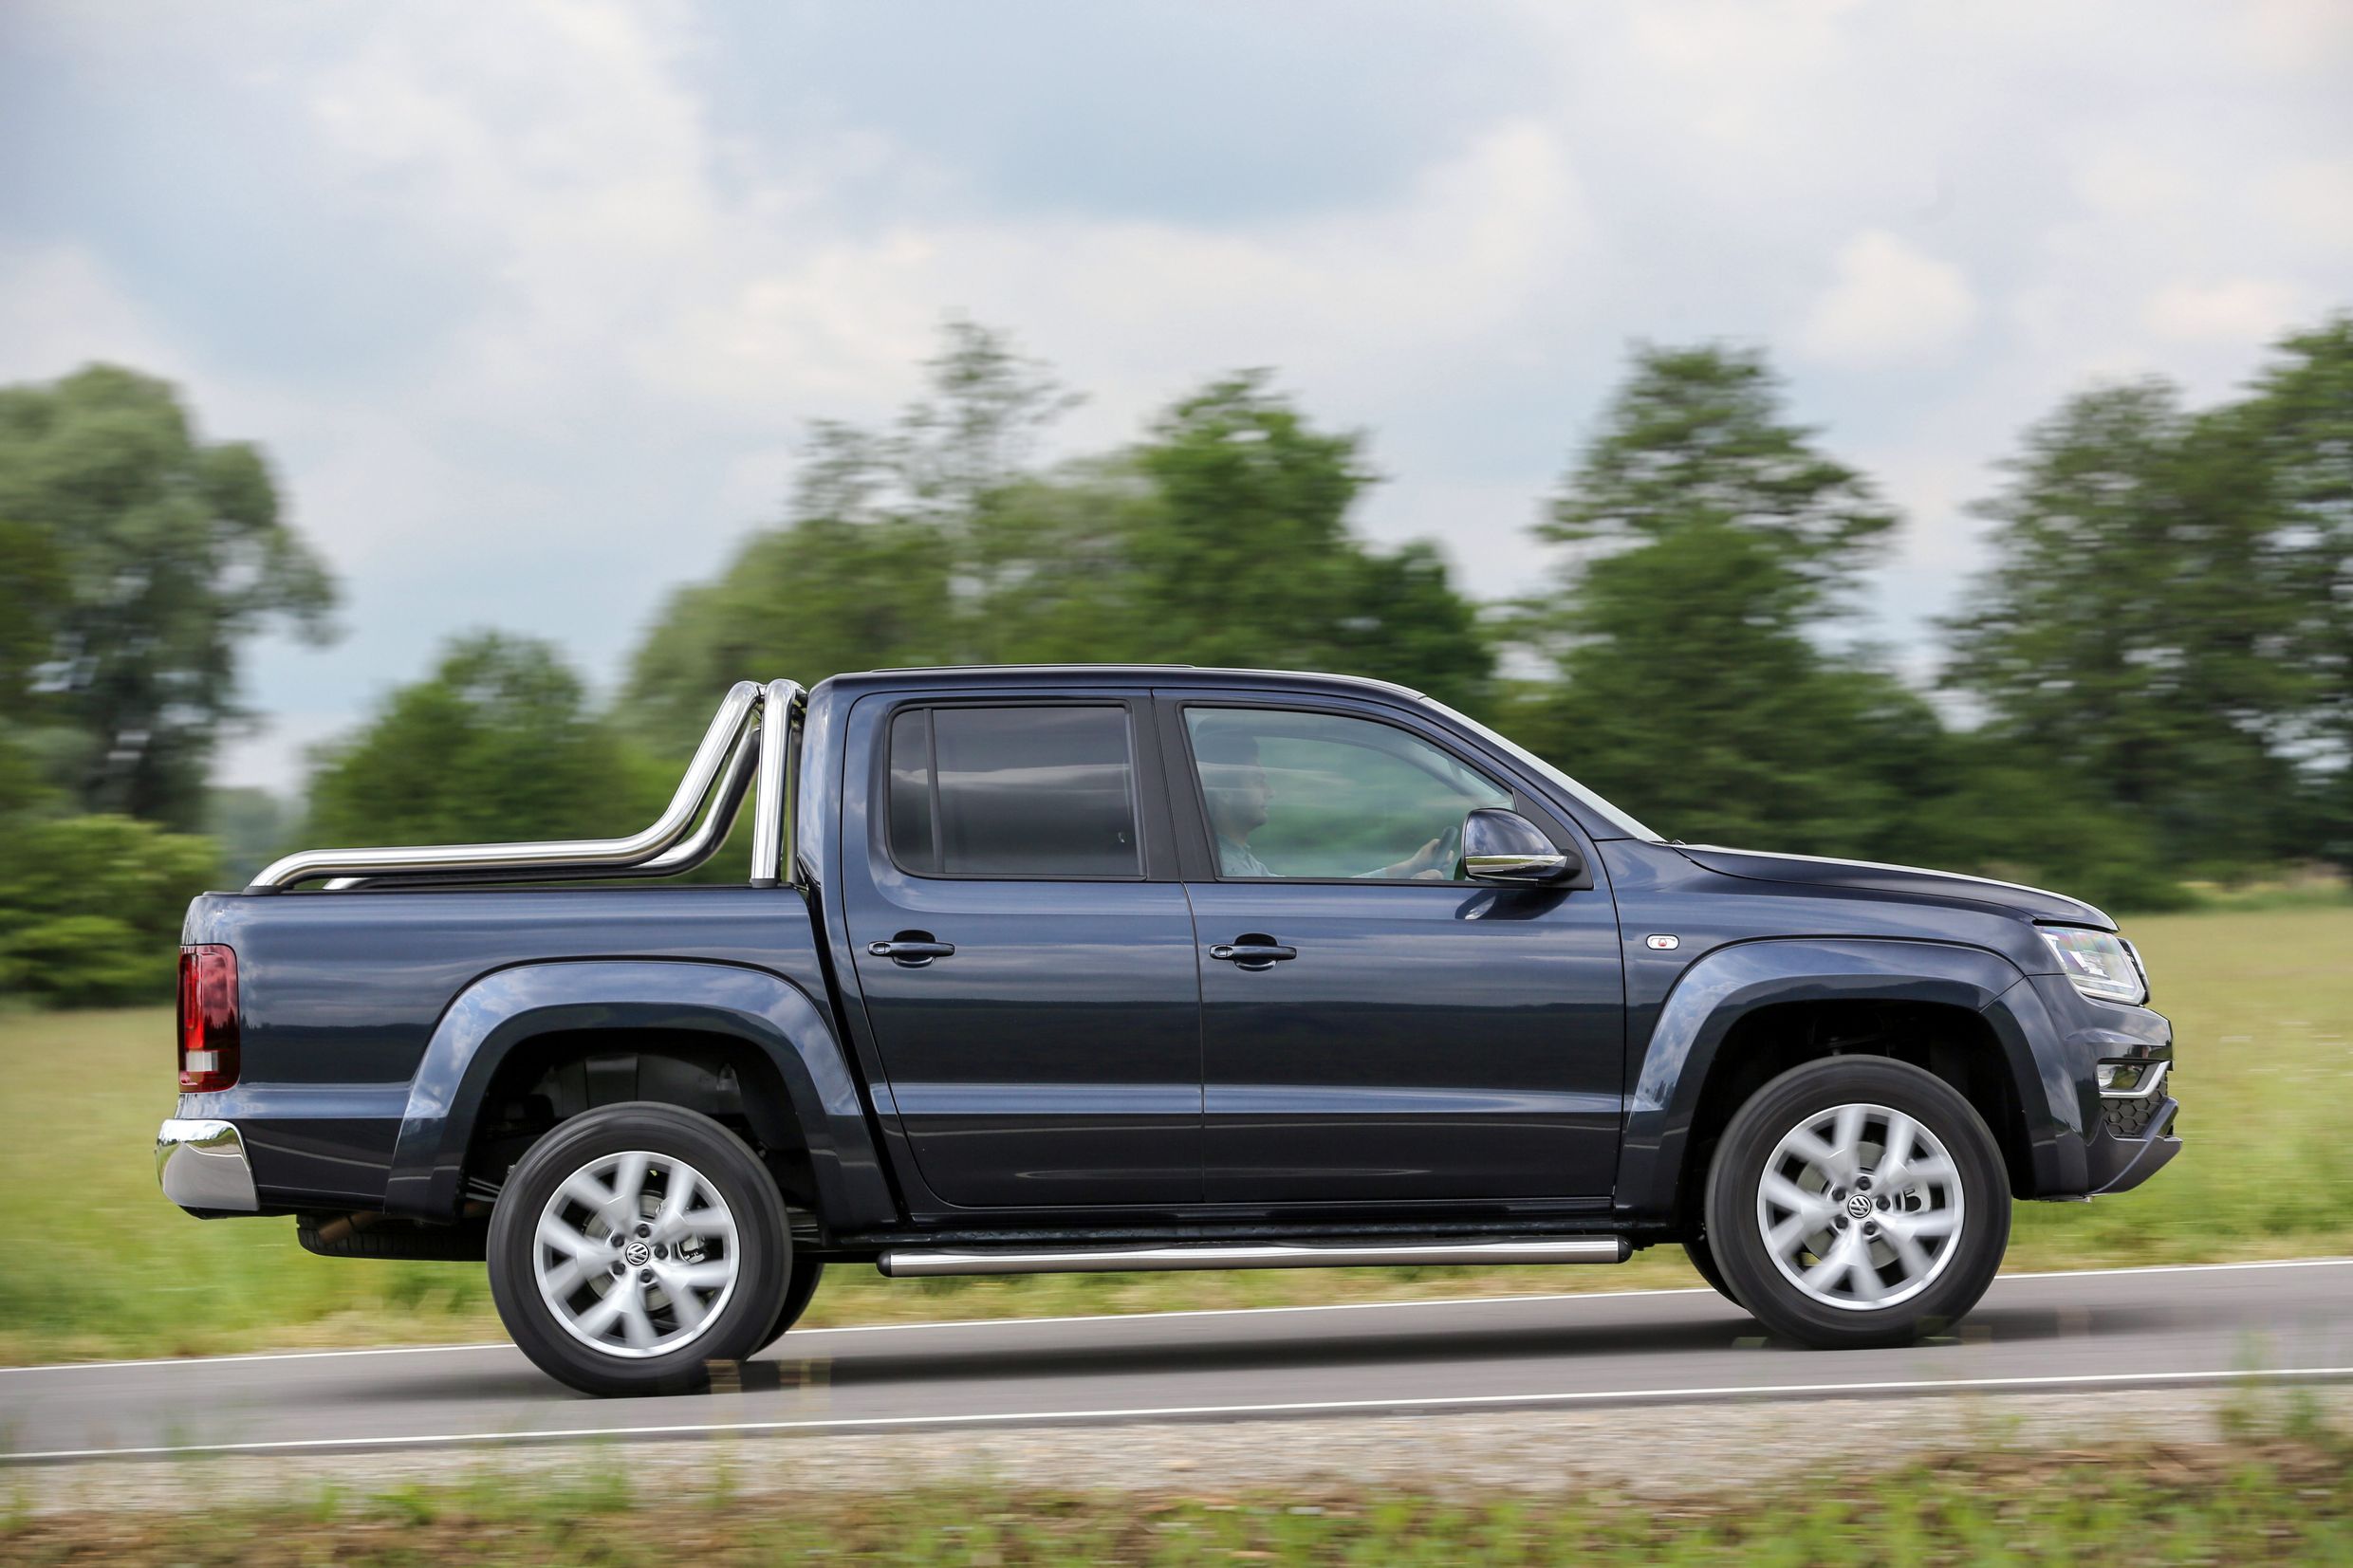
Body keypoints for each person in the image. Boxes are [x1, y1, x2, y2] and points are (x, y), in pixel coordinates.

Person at [1194, 727, 1452, 880]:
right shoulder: (1229, 869)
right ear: (1225, 792)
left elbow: (1304, 900)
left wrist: (1409, 868)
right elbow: (1297, 911)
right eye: (1258, 780)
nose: (1270, 792)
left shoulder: (1234, 861)